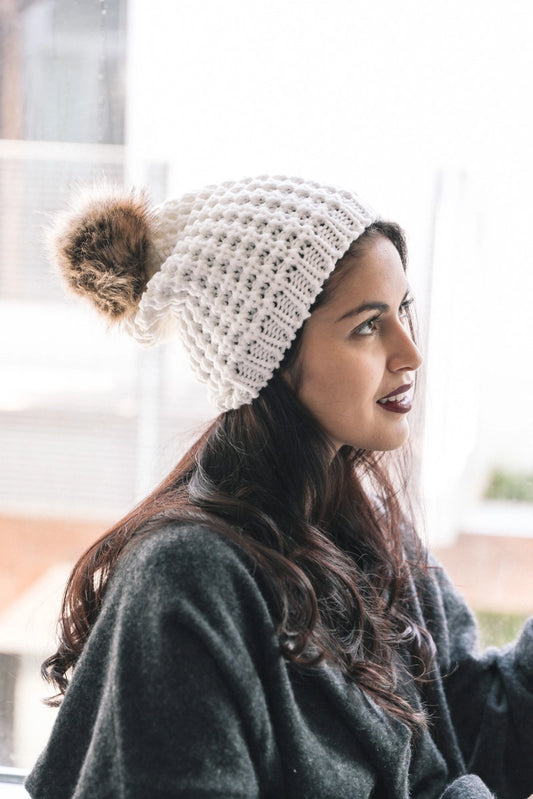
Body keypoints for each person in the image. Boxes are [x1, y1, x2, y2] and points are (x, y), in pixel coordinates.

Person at [26, 176, 533, 799]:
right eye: (367, 326)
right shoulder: (188, 579)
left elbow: (485, 732)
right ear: (268, 362)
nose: (410, 353)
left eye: (402, 310)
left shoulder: (367, 530)